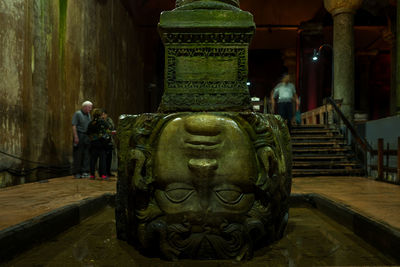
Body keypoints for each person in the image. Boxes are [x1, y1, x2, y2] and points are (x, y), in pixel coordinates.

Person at [86, 108, 110, 180]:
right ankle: (103, 175)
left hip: (93, 143)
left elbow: (87, 133)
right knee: (102, 160)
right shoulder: (103, 122)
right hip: (101, 143)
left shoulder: (91, 123)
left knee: (93, 160)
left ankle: (92, 175)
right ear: (100, 114)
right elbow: (107, 131)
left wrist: (93, 138)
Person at [72, 101, 93, 178]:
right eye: (89, 107)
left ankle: (85, 171)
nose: (90, 109)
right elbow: (74, 125)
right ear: (84, 107)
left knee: (86, 154)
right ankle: (77, 172)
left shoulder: (88, 115)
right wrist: (76, 136)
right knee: (78, 154)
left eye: (91, 107)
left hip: (86, 136)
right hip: (80, 134)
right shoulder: (77, 114)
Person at [103, 110, 116, 177]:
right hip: (103, 141)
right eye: (102, 114)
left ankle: (108, 171)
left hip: (110, 140)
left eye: (104, 114)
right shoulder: (101, 121)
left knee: (109, 158)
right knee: (104, 158)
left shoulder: (109, 120)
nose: (103, 116)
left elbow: (112, 127)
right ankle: (104, 172)